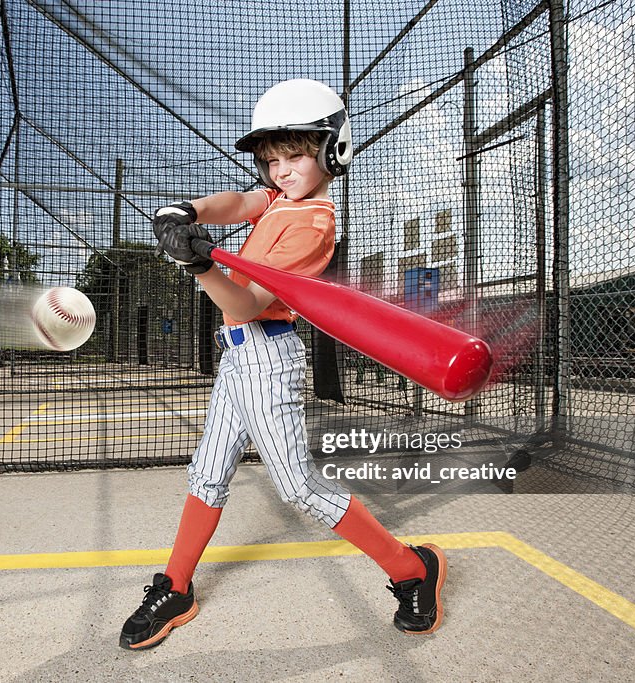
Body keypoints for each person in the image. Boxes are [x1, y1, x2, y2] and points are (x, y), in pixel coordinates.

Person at [119, 79, 446, 651]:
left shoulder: (312, 222)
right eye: (272, 159)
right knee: (208, 471)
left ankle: (412, 569)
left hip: (269, 355)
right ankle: (175, 586)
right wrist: (187, 211)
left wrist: (201, 268)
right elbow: (240, 203)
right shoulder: (276, 201)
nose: (282, 169)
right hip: (237, 359)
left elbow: (244, 304)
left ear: (330, 151)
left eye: (296, 155)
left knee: (297, 485)